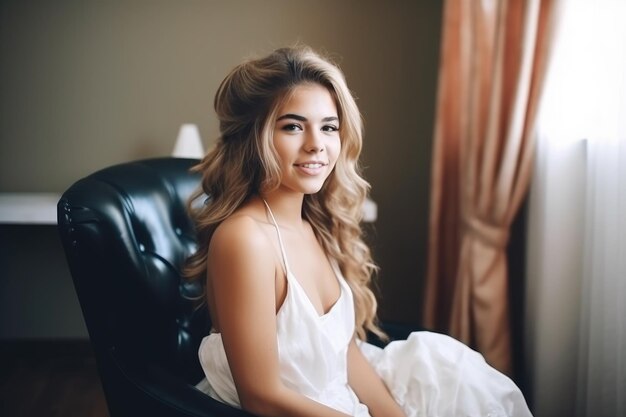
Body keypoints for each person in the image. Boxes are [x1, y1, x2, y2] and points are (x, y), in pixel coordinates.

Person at [186, 46, 532, 417]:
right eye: (292, 126)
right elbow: (261, 396)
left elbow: (345, 355)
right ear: (253, 138)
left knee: (463, 382)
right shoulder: (245, 240)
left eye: (329, 127)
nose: (316, 143)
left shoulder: (315, 225)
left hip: (343, 402)